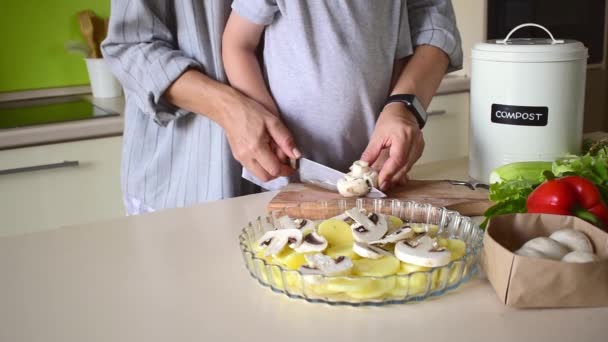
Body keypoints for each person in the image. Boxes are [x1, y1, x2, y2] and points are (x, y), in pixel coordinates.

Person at [101, 0, 462, 215]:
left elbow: (428, 18)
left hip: (345, 184)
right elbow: (131, 45)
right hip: (195, 182)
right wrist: (233, 109)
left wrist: (403, 106)